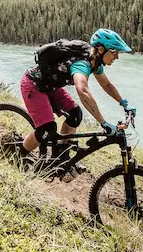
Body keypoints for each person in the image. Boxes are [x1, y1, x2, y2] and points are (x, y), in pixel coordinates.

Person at [18, 28, 136, 179]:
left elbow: (107, 85)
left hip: (51, 86)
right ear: (101, 49)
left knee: (75, 114)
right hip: (34, 85)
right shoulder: (82, 64)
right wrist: (103, 123)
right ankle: (18, 156)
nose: (117, 57)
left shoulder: (95, 61)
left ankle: (60, 157)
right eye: (115, 52)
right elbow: (83, 91)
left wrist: (124, 103)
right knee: (47, 130)